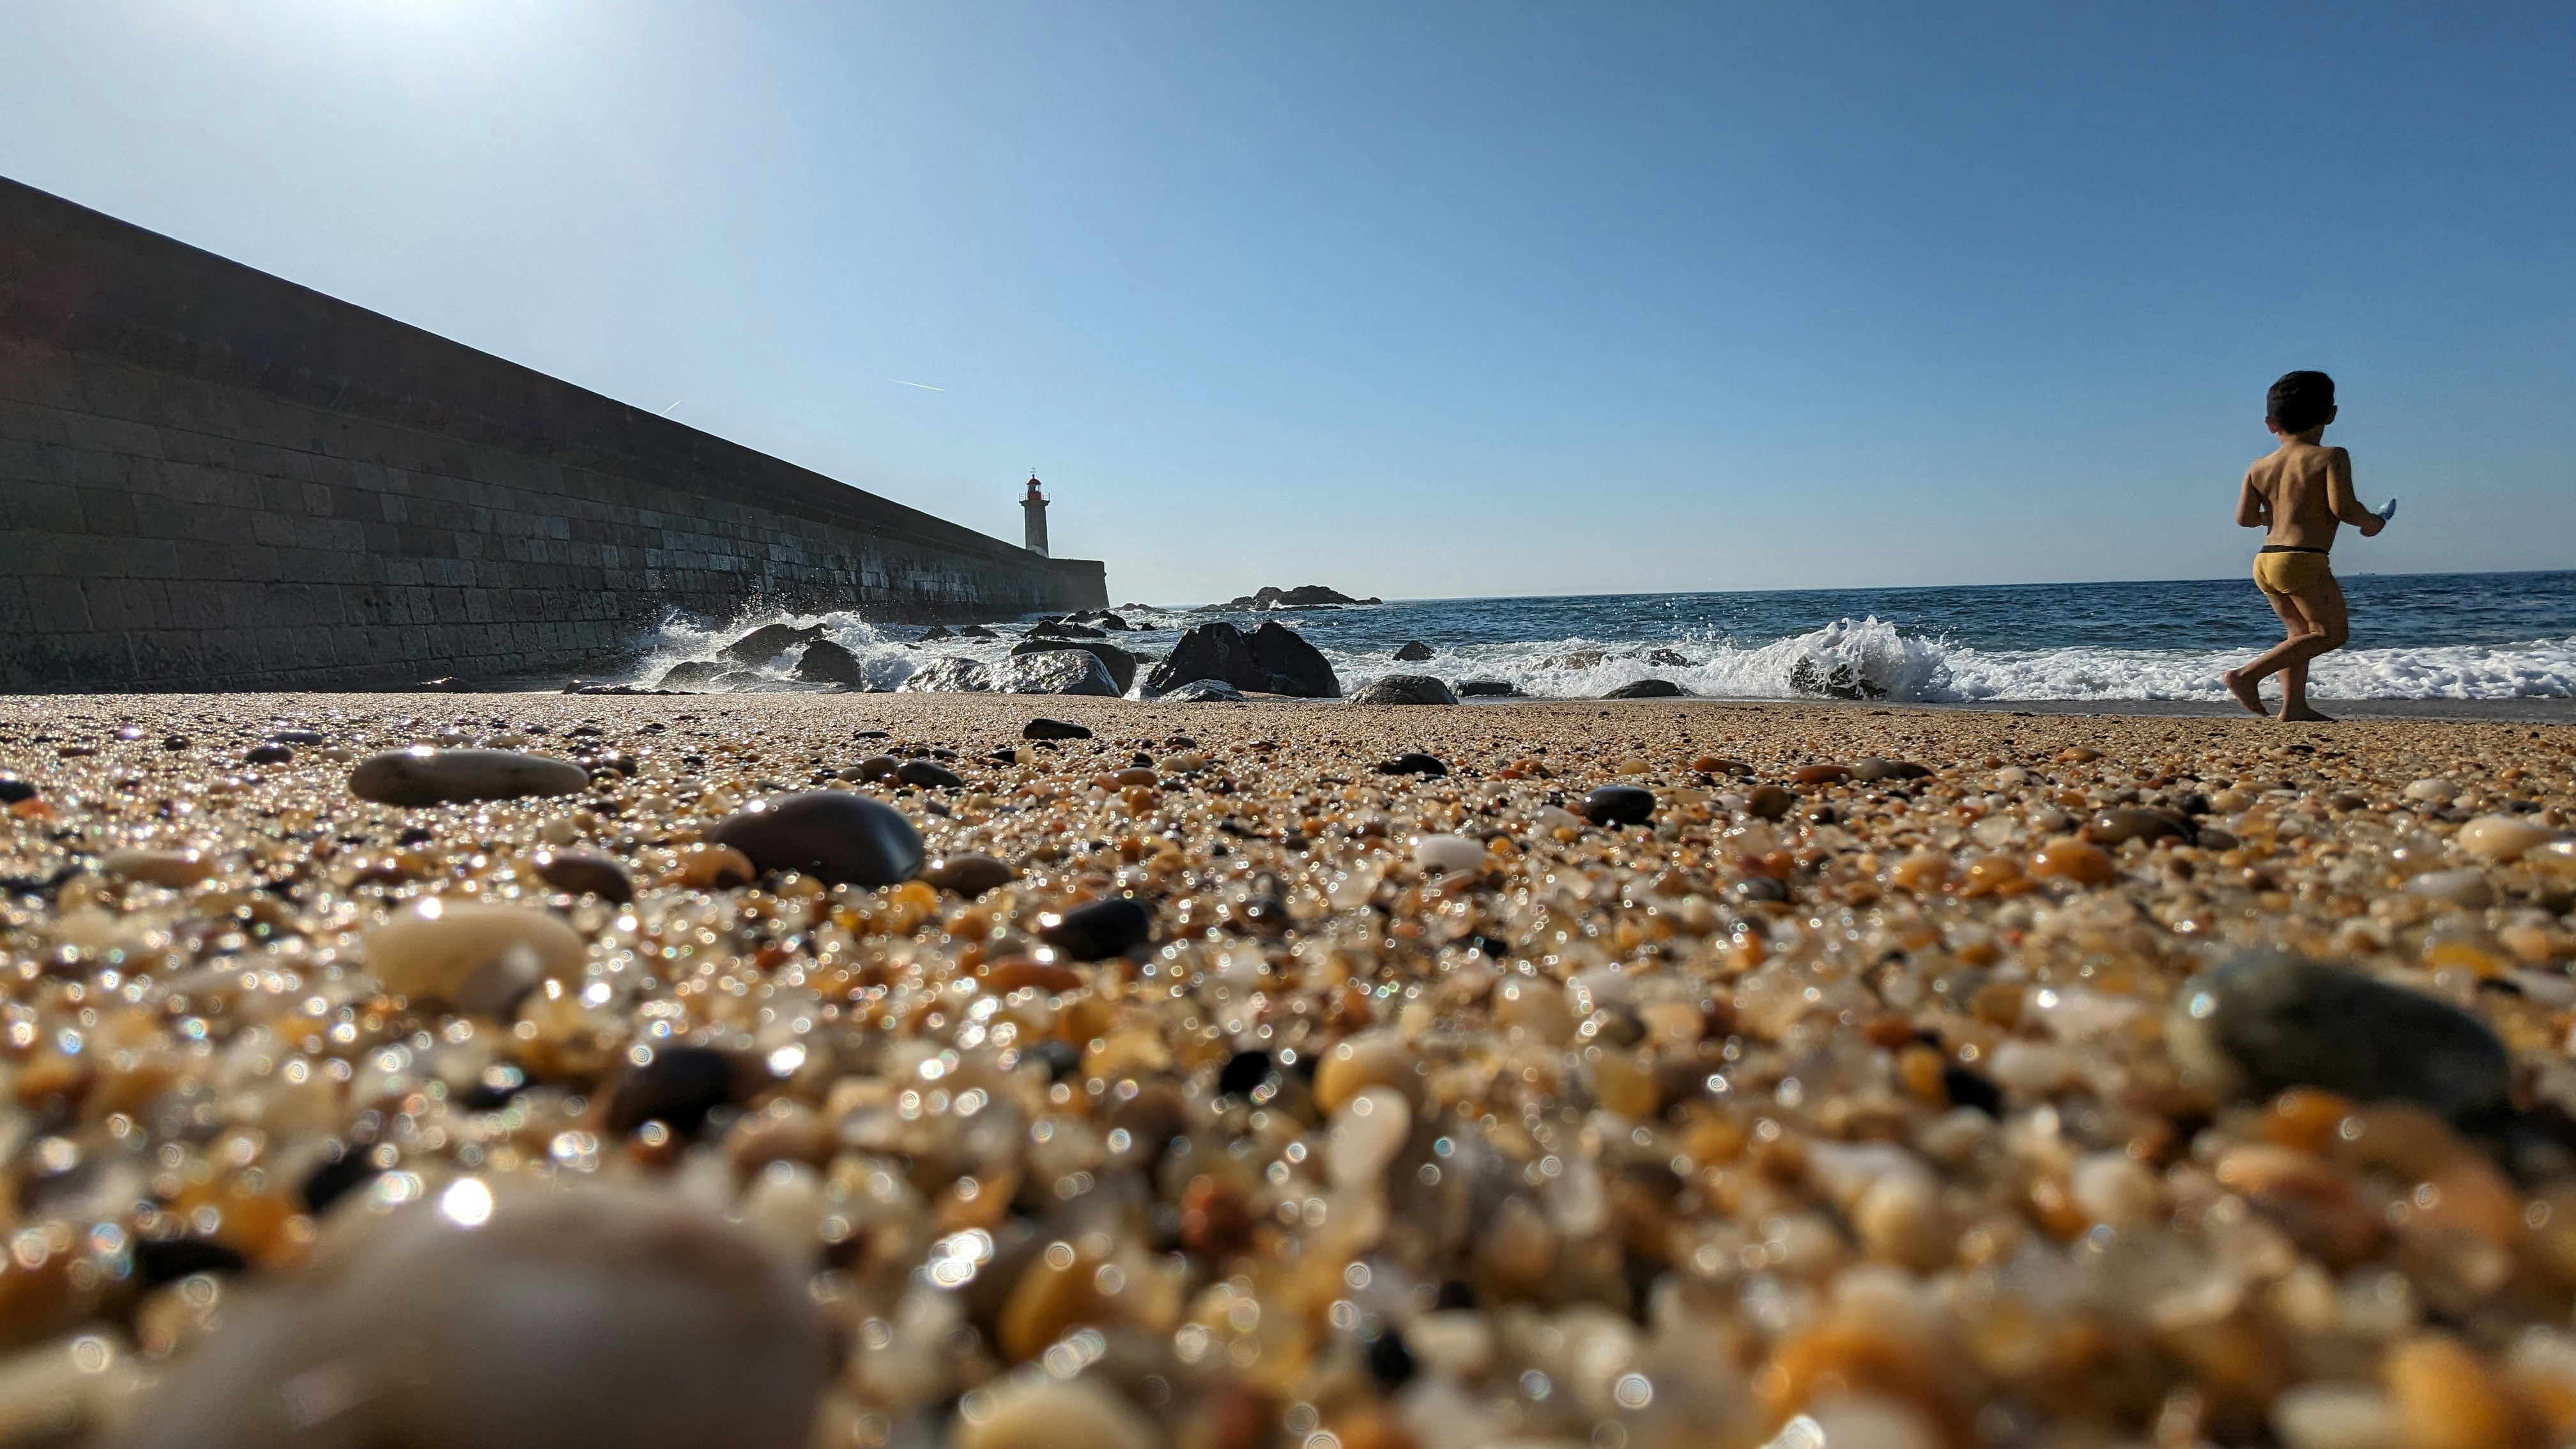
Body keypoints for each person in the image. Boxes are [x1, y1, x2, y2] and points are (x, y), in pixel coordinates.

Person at [2221, 370, 2385, 721]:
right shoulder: (2330, 456)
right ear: (2331, 414)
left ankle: (2293, 707)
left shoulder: (2259, 466)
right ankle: (2246, 676)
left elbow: (2245, 519)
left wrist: (2276, 516)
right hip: (2302, 558)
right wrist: (2371, 522)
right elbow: (2343, 508)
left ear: (2270, 423)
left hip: (2266, 561)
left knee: (2298, 635)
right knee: (2330, 634)